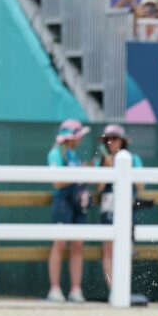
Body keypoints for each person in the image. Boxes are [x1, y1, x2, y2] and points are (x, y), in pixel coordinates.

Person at [93, 124, 144, 302]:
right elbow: (99, 188)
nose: (111, 142)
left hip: (128, 208)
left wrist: (122, 168)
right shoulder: (101, 160)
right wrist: (107, 169)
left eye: (115, 138)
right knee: (107, 249)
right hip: (108, 207)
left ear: (122, 140)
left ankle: (122, 289)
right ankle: (113, 290)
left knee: (126, 248)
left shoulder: (133, 158)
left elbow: (140, 185)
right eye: (108, 139)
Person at [46, 119, 91, 303]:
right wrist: (79, 174)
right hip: (63, 201)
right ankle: (55, 289)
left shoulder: (73, 155)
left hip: (77, 202)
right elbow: (57, 182)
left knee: (78, 245)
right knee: (59, 244)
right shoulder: (56, 154)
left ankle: (75, 289)